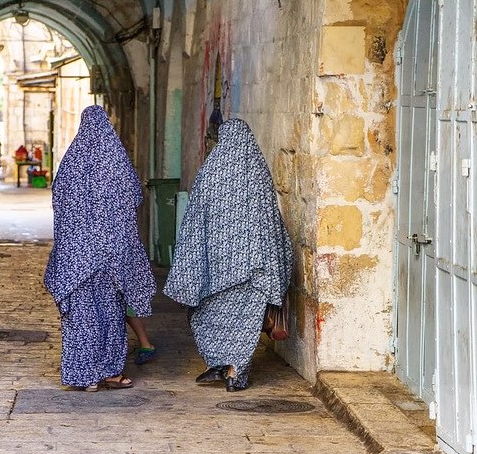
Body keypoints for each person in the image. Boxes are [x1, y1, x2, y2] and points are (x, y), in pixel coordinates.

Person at [164, 118, 292, 392]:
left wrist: (194, 263)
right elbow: (271, 219)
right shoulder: (258, 172)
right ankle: (234, 369)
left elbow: (195, 219)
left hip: (215, 269)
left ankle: (220, 362)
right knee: (246, 320)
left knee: (208, 316)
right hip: (253, 269)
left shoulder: (210, 171)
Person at [44, 105, 156, 392]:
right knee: (109, 314)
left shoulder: (71, 163)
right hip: (110, 256)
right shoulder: (116, 160)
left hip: (75, 259)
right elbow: (134, 195)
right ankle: (108, 372)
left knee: (81, 316)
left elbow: (58, 200)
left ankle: (83, 376)